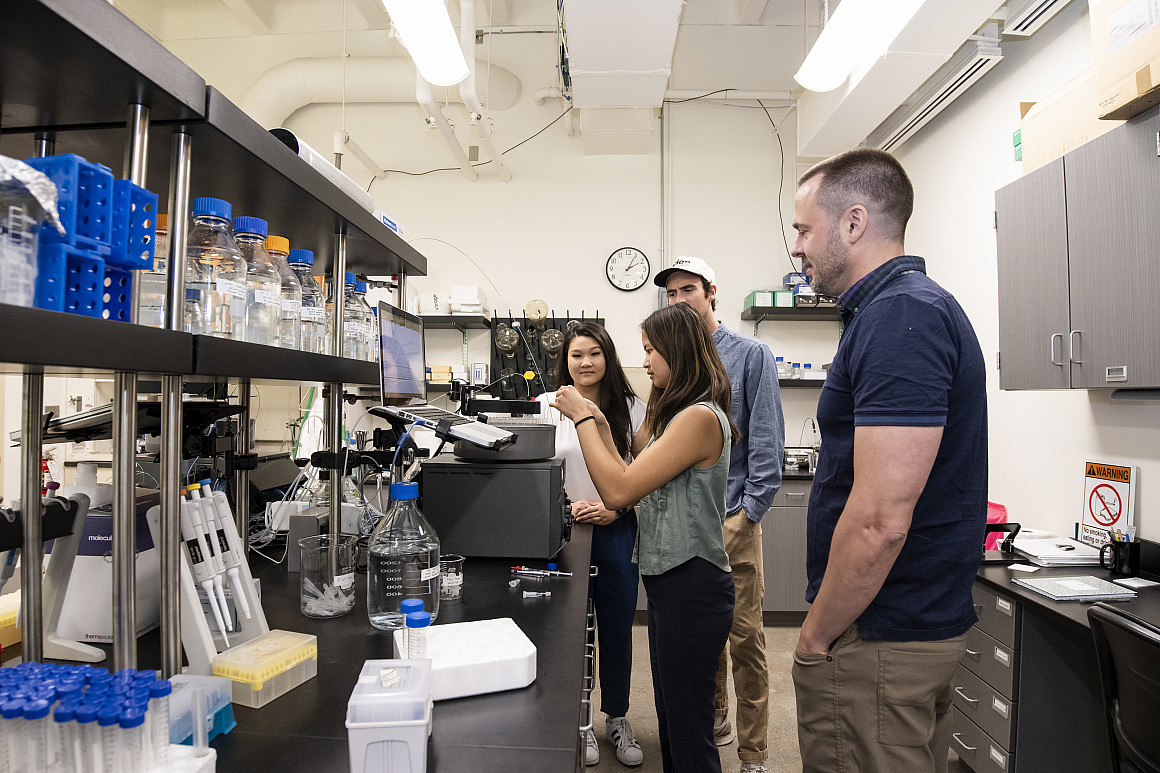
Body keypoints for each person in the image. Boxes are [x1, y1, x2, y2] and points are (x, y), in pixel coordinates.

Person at [788, 148, 988, 773]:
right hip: (899, 627)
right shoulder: (895, 312)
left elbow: (880, 519)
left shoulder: (901, 316)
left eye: (803, 229)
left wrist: (817, 635)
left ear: (853, 223)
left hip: (880, 635)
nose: (796, 248)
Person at [551, 302, 738, 773]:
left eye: (652, 351)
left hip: (692, 583)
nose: (647, 361)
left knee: (689, 731)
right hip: (668, 579)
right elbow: (628, 461)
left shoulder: (697, 418)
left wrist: (579, 419)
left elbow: (618, 489)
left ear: (678, 352)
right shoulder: (670, 411)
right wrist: (595, 416)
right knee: (674, 719)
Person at [655, 256, 783, 773]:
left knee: (744, 638)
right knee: (700, 638)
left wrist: (746, 516)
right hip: (688, 526)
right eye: (671, 294)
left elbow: (767, 447)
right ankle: (716, 717)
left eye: (688, 290)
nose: (679, 300)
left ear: (712, 294)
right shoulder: (674, 360)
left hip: (731, 518)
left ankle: (753, 754)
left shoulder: (750, 355)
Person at [536, 322, 647, 767]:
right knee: (569, 633)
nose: (585, 363)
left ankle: (616, 717)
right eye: (576, 354)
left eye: (595, 354)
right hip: (562, 532)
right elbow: (536, 471)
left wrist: (614, 509)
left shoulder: (632, 408)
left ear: (609, 358)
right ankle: (577, 721)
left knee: (617, 629)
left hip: (618, 528)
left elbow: (648, 472)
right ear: (564, 360)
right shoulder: (548, 406)